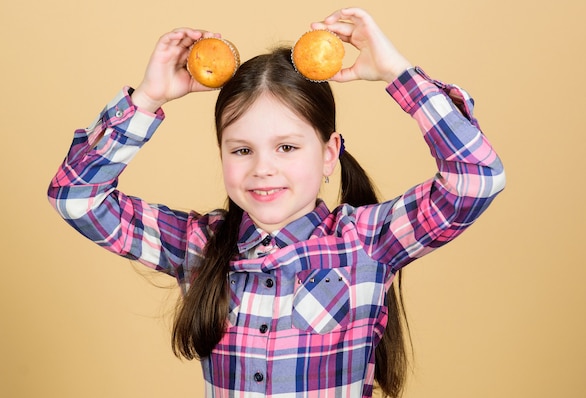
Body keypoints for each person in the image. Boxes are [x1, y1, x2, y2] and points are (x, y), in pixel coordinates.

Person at [47, 7, 505, 398]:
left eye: (287, 147)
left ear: (329, 154)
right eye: (242, 150)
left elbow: (476, 179)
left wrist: (398, 74)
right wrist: (146, 100)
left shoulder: (367, 242)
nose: (262, 168)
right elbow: (76, 198)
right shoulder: (200, 246)